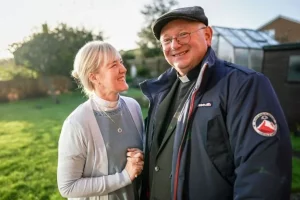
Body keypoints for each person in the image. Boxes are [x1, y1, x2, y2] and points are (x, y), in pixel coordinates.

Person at [139, 6, 292, 200]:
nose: (174, 45)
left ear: (208, 35)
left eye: (183, 34)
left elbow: (264, 173)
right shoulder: (161, 92)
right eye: (166, 40)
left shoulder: (244, 85)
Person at [57, 41, 144, 200]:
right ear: (94, 76)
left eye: (121, 62)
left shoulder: (134, 107)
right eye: (113, 65)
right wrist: (125, 176)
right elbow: (68, 187)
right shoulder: (77, 123)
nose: (123, 69)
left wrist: (141, 156)